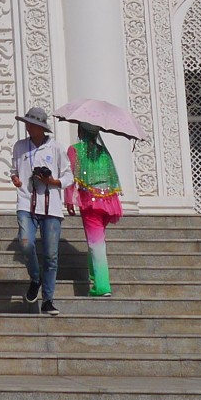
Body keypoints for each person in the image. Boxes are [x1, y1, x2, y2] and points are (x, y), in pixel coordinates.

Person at [9, 106, 72, 315]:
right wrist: (16, 179)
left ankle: (48, 299)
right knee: (25, 243)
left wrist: (52, 181)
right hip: (26, 202)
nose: (27, 127)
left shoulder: (56, 148)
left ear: (41, 127)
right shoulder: (19, 147)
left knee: (51, 255)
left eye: (31, 124)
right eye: (26, 123)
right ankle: (35, 279)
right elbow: (14, 171)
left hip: (50, 205)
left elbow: (69, 176)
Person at [65, 122, 123, 297]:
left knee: (96, 243)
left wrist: (69, 200)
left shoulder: (74, 150)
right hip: (108, 201)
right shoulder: (103, 152)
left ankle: (102, 286)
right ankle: (95, 279)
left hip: (90, 202)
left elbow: (70, 175)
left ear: (80, 131)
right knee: (96, 241)